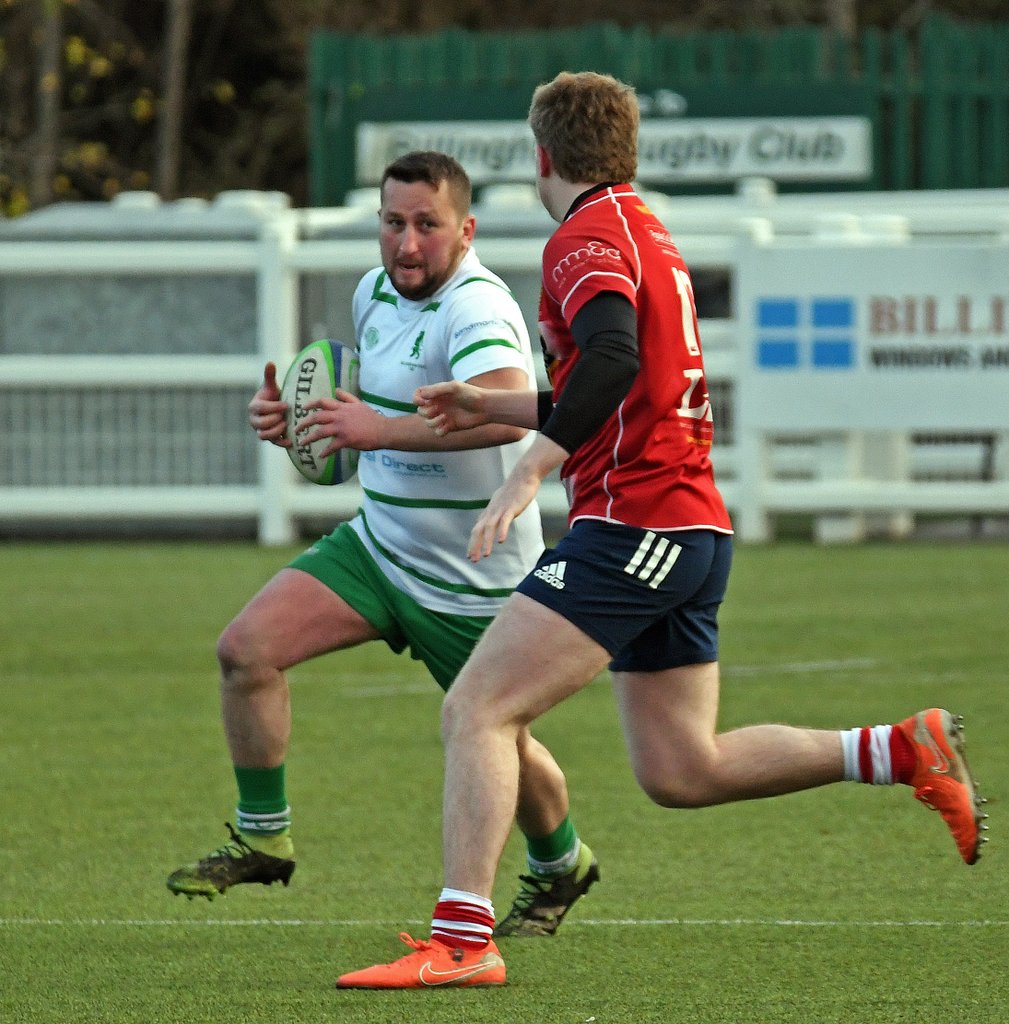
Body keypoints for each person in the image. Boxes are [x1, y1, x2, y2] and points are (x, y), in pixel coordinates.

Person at [336, 72, 989, 991]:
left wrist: (532, 464)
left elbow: (610, 356)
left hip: (634, 522)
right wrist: (499, 402)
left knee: (477, 708)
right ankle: (896, 748)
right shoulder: (641, 227)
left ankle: (461, 939)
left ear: (542, 156)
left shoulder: (582, 237)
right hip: (685, 526)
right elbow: (618, 383)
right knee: (682, 768)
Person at [166, 150, 600, 939]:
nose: (406, 245)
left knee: (499, 736)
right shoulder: (374, 293)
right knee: (245, 651)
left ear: (464, 230)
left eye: (427, 226)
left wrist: (370, 429)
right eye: (393, 224)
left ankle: (561, 860)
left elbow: (508, 414)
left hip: (470, 578)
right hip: (377, 548)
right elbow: (373, 411)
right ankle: (263, 837)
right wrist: (304, 425)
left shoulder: (479, 311)